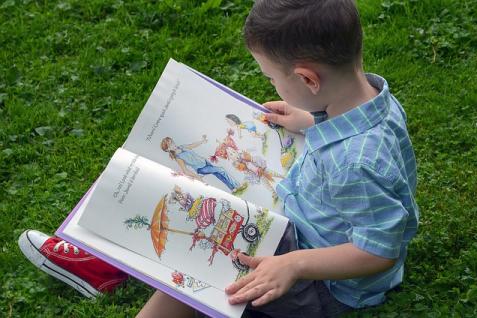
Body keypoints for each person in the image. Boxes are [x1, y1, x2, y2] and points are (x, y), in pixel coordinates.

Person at [137, 1, 419, 317]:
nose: (272, 83)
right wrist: (309, 120)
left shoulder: (353, 164)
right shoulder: (376, 99)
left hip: (326, 284)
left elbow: (378, 252)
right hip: (310, 232)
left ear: (308, 80)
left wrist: (293, 264)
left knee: (193, 271)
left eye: (271, 77)